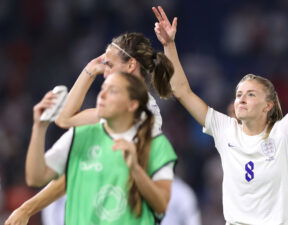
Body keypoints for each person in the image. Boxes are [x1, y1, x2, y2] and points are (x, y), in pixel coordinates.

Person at [152, 6, 288, 224]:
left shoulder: (284, 132)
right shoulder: (225, 129)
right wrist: (169, 45)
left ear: (268, 105)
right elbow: (182, 90)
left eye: (250, 94)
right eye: (239, 94)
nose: (241, 98)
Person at [4, 32, 176, 225]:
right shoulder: (129, 109)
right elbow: (65, 119)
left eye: (109, 65)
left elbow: (72, 172)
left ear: (130, 65)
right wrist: (89, 70)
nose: (104, 72)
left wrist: (27, 209)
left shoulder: (138, 116)